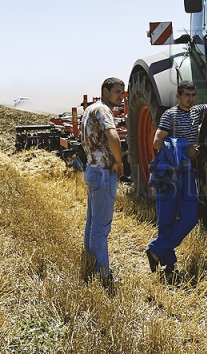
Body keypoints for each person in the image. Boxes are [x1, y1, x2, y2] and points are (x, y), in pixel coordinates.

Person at [146, 80, 207, 274]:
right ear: (178, 96)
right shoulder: (170, 115)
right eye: (186, 96)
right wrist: (186, 147)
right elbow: (157, 143)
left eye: (193, 96)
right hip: (168, 173)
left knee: (191, 217)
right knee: (166, 219)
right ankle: (169, 264)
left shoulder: (196, 111)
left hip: (187, 170)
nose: (190, 99)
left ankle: (155, 250)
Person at [80, 77, 125, 285]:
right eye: (117, 91)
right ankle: (104, 275)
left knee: (92, 224)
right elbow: (114, 138)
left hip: (91, 169)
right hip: (103, 172)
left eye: (123, 92)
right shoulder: (104, 110)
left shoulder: (90, 109)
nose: (121, 96)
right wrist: (119, 162)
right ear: (105, 91)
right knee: (101, 228)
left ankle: (90, 266)